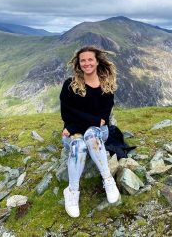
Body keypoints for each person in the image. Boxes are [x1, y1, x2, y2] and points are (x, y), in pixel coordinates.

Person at [60, 45, 120, 218]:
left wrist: (73, 125)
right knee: (79, 145)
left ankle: (107, 180)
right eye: (83, 60)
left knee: (91, 134)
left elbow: (102, 119)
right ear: (79, 64)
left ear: (97, 61)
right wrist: (90, 121)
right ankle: (72, 191)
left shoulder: (106, 86)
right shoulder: (70, 85)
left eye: (90, 59)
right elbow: (66, 113)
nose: (86, 63)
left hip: (96, 132)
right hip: (74, 134)